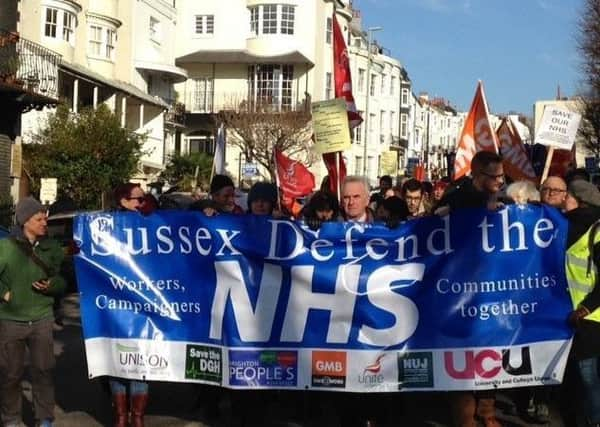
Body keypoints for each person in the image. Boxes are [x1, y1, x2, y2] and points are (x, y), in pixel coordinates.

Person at [436, 151, 504, 427]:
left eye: (502, 175)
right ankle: (465, 417)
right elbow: (434, 226)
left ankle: (487, 412)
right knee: (461, 354)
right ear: (477, 175)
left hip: (493, 287)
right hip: (458, 291)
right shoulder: (455, 199)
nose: (501, 181)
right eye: (495, 176)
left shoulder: (503, 199)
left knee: (492, 349)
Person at [0, 196, 66, 427]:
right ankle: (11, 419)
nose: (44, 223)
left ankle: (44, 418)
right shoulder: (5, 247)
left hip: (42, 319)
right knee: (11, 375)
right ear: (25, 221)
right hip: (11, 321)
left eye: (44, 219)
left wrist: (52, 285)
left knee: (44, 371)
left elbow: (63, 280)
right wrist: (4, 292)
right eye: (39, 219)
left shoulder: (51, 247)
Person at [110, 183, 150, 427]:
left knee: (143, 360)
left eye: (143, 199)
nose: (142, 203)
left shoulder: (148, 222)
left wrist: (207, 207)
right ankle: (121, 417)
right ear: (123, 201)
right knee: (116, 362)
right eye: (137, 199)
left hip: (143, 305)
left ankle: (137, 417)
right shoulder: (105, 224)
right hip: (114, 305)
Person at [564, 179, 600, 427]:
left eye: (567, 195)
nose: (563, 199)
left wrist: (586, 307)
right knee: (579, 381)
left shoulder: (596, 231)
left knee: (589, 379)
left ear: (579, 200)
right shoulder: (567, 226)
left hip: (591, 318)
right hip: (575, 316)